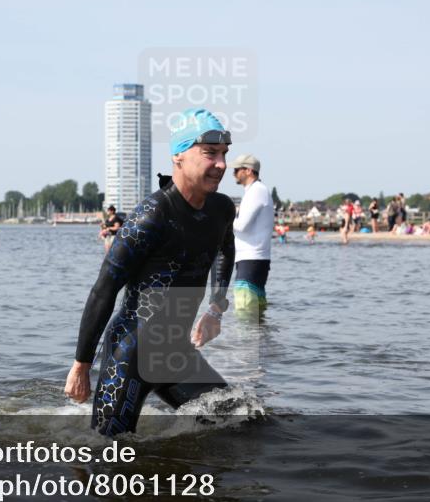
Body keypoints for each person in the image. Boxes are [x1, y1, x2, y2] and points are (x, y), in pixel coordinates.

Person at [64, 108, 235, 436]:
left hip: (175, 354)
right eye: (210, 154)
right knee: (108, 456)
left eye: (224, 154)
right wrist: (81, 365)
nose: (221, 165)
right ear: (179, 157)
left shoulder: (221, 209)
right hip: (129, 356)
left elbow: (227, 252)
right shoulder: (150, 217)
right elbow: (104, 289)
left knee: (237, 423)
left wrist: (216, 308)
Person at [230, 153, 274, 315]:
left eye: (236, 169)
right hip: (254, 257)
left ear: (248, 171)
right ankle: (259, 340)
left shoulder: (256, 191)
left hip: (251, 257)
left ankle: (247, 341)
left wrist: (223, 219)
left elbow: (242, 226)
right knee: (256, 312)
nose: (233, 173)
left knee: (245, 310)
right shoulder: (256, 190)